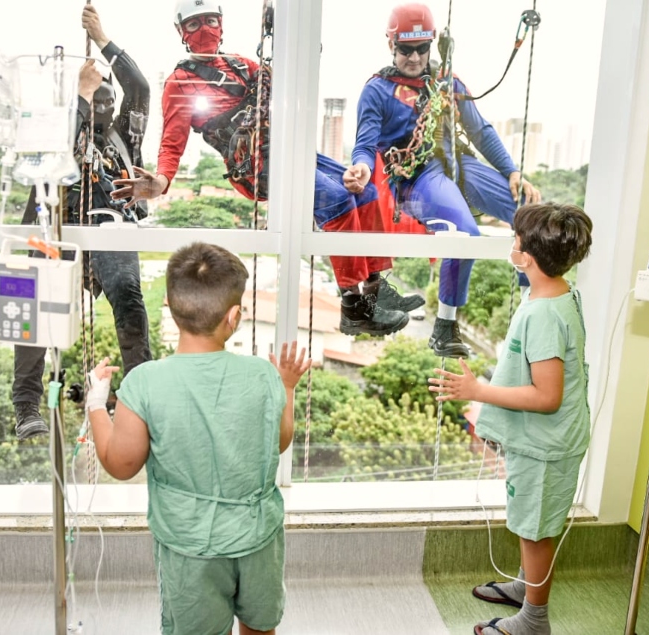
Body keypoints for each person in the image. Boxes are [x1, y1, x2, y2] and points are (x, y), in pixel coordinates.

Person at [111, 0, 423, 338]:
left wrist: (296, 40)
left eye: (210, 20)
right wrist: (161, 181)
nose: (205, 29)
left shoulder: (243, 65)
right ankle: (354, 307)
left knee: (367, 193)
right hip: (255, 167)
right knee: (337, 201)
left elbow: (286, 78)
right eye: (194, 24)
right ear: (181, 32)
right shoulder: (180, 82)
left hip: (285, 147)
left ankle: (377, 292)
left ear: (222, 24)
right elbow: (173, 141)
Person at [86, 241, 311, 635]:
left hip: (190, 546)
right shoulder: (263, 376)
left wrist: (95, 404)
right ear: (234, 316)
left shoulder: (145, 382)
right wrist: (287, 387)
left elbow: (121, 464)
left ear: (171, 309)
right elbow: (277, 442)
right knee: (260, 627)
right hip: (257, 538)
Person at [428, 202, 593, 635]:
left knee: (534, 530)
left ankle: (534, 620)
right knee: (531, 520)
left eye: (516, 239)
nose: (512, 244)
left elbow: (547, 395)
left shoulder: (542, 314)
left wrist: (477, 391)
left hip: (546, 444)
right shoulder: (559, 291)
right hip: (549, 440)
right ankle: (525, 587)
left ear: (527, 258)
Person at [343, 2, 541, 358]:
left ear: (431, 44)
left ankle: (534, 299)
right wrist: (361, 168)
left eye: (422, 48)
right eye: (406, 49)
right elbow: (365, 142)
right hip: (416, 179)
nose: (415, 57)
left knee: (532, 214)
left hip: (459, 166)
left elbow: (479, 131)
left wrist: (512, 171)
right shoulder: (378, 90)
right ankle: (445, 327)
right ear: (392, 45)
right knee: (463, 235)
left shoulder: (446, 82)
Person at [12, 4, 152, 440]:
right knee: (32, 302)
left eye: (105, 100)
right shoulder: (54, 131)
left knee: (128, 296)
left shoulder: (122, 138)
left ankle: (144, 394)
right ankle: (26, 404)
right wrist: (80, 96)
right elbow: (53, 161)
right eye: (94, 101)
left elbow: (140, 88)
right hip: (58, 227)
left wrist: (104, 39)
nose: (102, 107)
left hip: (108, 226)